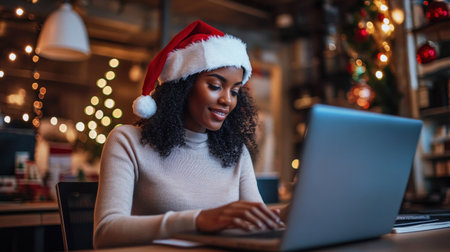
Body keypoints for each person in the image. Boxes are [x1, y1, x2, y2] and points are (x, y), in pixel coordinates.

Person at [93, 20, 284, 249]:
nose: (227, 100)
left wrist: (289, 215)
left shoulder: (236, 151)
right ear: (183, 86)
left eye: (234, 91)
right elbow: (105, 232)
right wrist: (197, 220)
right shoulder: (127, 142)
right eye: (214, 86)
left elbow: (259, 224)